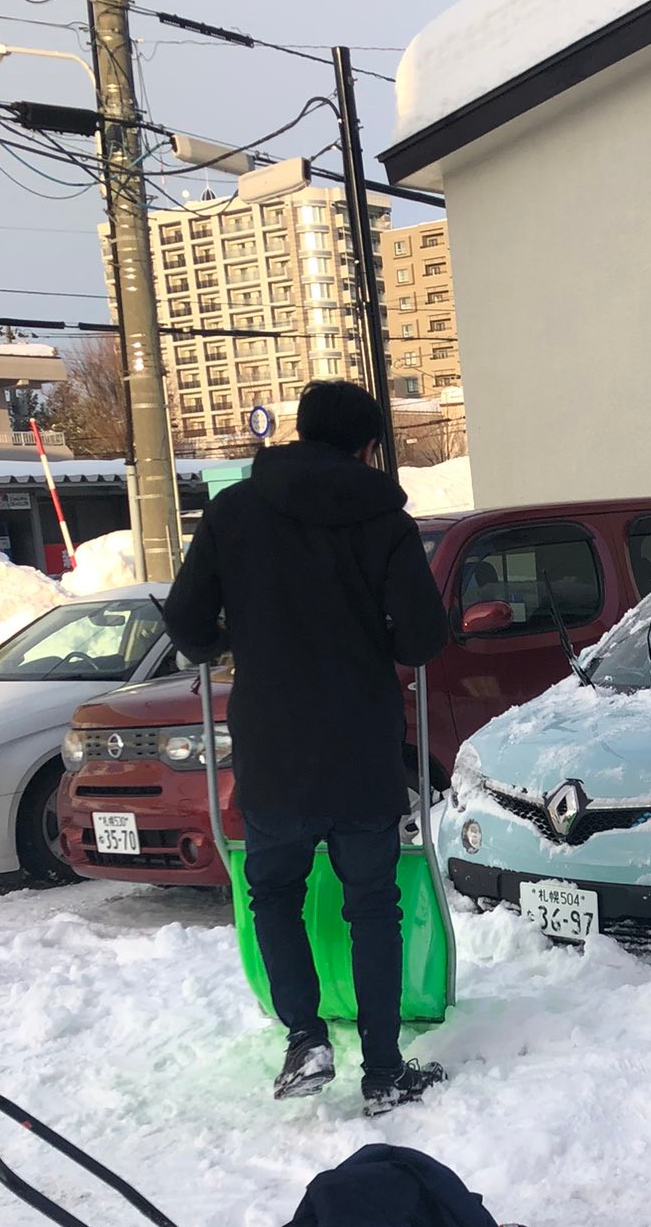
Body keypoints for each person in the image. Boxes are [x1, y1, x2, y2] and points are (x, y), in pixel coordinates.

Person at [164, 378, 451, 1114]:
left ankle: (306, 1036)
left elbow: (190, 624)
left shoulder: (234, 510)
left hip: (275, 745)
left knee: (276, 893)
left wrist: (237, 636)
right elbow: (421, 638)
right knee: (373, 904)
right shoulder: (385, 518)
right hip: (360, 743)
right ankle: (384, 1070)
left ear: (300, 429)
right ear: (366, 446)